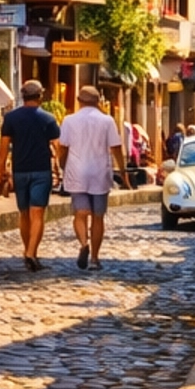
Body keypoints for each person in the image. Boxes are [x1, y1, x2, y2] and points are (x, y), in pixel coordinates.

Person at [57, 84, 126, 271]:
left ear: (79, 101)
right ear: (98, 102)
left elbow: (62, 147)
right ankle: (95, 258)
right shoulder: (107, 120)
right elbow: (116, 148)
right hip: (99, 173)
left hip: (77, 172)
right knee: (98, 217)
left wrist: (62, 165)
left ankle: (83, 244)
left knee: (80, 213)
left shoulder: (69, 120)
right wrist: (123, 172)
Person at [0, 80, 61, 271]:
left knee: (24, 213)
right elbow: (58, 145)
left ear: (23, 96)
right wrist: (60, 165)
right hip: (41, 170)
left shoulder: (11, 118)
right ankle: (31, 252)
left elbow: (4, 145)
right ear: (40, 96)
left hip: (20, 170)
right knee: (37, 212)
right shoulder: (48, 118)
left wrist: (1, 169)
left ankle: (28, 251)